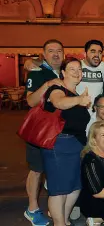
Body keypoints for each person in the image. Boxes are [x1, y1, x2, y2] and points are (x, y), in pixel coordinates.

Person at [41, 57, 91, 226]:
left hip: (76, 145)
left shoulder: (77, 93)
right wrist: (79, 101)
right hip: (58, 145)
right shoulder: (57, 89)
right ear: (63, 72)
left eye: (79, 69)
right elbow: (59, 102)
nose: (77, 72)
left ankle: (64, 220)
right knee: (59, 189)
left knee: (75, 187)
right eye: (72, 69)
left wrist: (79, 98)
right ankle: (59, 223)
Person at [24, 39, 65, 226]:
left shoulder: (64, 71)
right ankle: (32, 209)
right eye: (51, 51)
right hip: (39, 130)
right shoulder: (38, 73)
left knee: (53, 169)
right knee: (37, 170)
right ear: (44, 54)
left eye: (59, 50)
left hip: (58, 130)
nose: (56, 54)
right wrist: (48, 84)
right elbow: (31, 101)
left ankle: (53, 204)